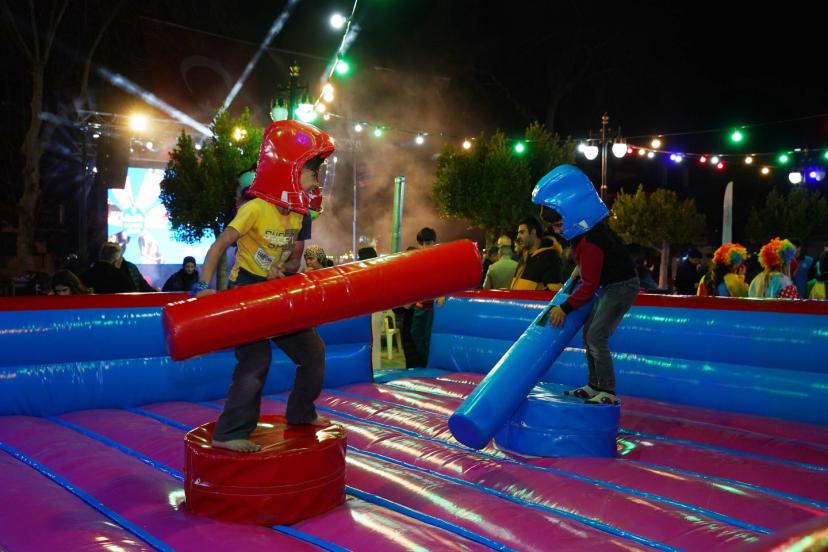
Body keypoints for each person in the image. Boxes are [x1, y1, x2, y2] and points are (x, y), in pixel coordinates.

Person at [194, 120, 335, 453]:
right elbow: (218, 246)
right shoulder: (255, 208)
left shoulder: (298, 215)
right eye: (312, 173)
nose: (316, 181)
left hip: (274, 288)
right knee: (256, 360)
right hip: (246, 288)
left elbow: (289, 260)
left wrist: (282, 267)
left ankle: (300, 413)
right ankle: (229, 432)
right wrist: (203, 286)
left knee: (312, 352)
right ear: (289, 172)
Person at [533, 164, 638, 406]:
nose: (557, 231)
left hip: (621, 287)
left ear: (572, 215)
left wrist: (565, 307)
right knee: (589, 333)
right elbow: (585, 270)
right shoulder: (587, 234)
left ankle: (607, 390)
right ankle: (594, 385)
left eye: (558, 224)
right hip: (613, 285)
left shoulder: (591, 241)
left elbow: (590, 286)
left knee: (596, 335)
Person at [510, 215, 563, 291]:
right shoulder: (524, 258)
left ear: (533, 232)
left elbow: (553, 293)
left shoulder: (549, 258)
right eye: (518, 233)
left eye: (522, 232)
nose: (518, 236)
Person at [410, 227, 438, 365]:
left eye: (428, 243)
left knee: (428, 337)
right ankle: (427, 362)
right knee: (415, 333)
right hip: (420, 305)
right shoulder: (418, 260)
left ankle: (429, 364)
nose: (425, 246)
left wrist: (442, 295)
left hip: (433, 307)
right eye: (421, 243)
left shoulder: (439, 259)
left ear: (434, 242)